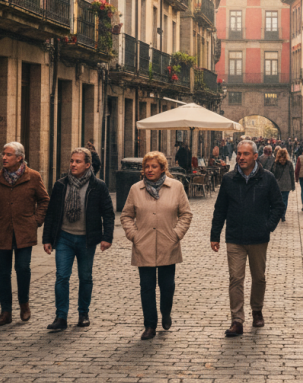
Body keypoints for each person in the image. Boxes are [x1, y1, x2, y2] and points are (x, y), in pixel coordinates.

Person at [210, 140, 285, 337]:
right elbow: (220, 209)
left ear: (255, 156)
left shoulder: (267, 178)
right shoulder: (229, 179)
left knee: (259, 277)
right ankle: (237, 319)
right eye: (239, 153)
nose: (241, 157)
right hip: (235, 237)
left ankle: (257, 310)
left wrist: (267, 226)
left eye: (245, 154)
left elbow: (278, 205)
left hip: (258, 238)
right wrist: (215, 235)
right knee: (236, 278)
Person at [41, 148, 115, 331]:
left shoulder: (98, 186)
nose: (73, 164)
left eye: (78, 162)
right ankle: (61, 317)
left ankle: (83, 314)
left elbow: (108, 213)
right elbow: (51, 214)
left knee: (85, 277)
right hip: (64, 237)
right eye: (72, 161)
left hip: (86, 239)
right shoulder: (60, 185)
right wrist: (47, 238)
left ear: (87, 165)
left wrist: (107, 237)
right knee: (62, 277)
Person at [121, 151, 193, 340]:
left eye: (154, 166)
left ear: (162, 168)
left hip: (168, 244)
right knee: (147, 287)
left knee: (167, 286)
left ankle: (166, 312)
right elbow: (126, 215)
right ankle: (150, 325)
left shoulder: (176, 187)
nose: (149, 170)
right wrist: (134, 235)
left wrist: (176, 234)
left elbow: (186, 214)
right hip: (143, 245)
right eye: (147, 166)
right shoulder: (136, 189)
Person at [0, 141, 50, 325]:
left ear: (19, 158)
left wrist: (36, 221)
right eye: (3, 154)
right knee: (3, 273)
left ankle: (24, 305)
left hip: (24, 231)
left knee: (23, 268)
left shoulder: (33, 176)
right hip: (1, 231)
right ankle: (6, 311)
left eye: (8, 155)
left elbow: (44, 200)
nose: (4, 157)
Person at [270, 148, 295, 221]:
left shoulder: (276, 163)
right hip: (287, 184)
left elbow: (273, 174)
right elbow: (292, 175)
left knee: (278, 200)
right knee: (285, 200)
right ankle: (283, 214)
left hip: (278, 185)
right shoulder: (289, 163)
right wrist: (293, 185)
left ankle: (279, 212)